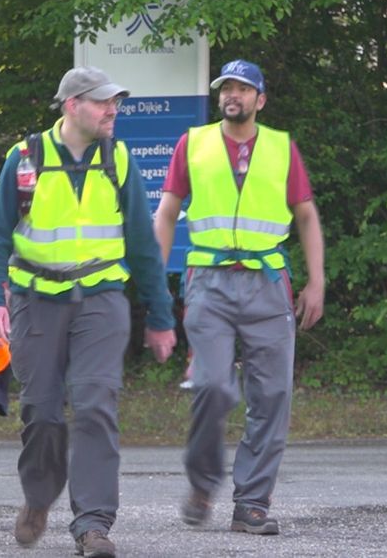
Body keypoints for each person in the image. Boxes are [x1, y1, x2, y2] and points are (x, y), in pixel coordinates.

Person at [0, 66, 177, 558]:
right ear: (72, 106)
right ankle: (39, 498)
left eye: (116, 102)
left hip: (101, 298)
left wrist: (160, 315)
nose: (113, 110)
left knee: (94, 404)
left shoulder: (119, 159)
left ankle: (93, 525)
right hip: (34, 301)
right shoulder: (25, 159)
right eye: (103, 101)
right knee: (42, 412)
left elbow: (142, 244)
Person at [153, 59, 325, 536]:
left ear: (260, 100)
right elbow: (166, 213)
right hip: (208, 280)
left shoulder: (280, 148)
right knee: (212, 386)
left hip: (268, 283)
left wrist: (317, 281)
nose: (234, 94)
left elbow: (306, 216)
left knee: (272, 395)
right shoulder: (195, 143)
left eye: (244, 88)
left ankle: (251, 502)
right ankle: (203, 482)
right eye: (227, 87)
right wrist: (154, 285)